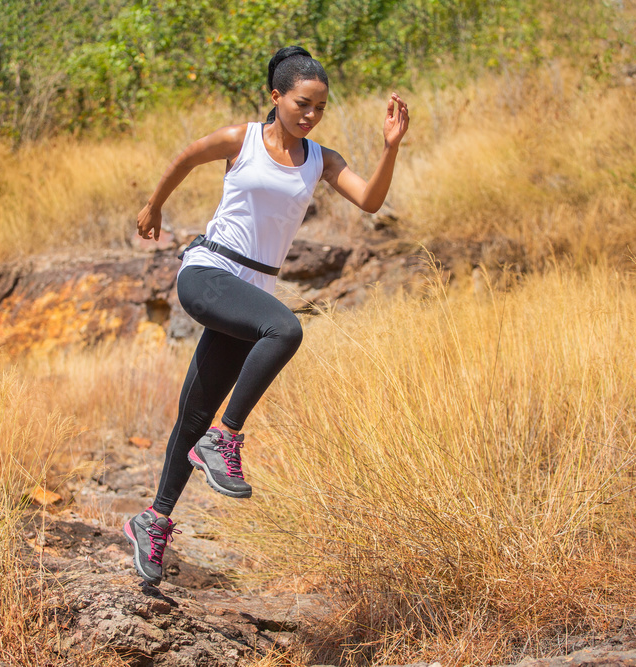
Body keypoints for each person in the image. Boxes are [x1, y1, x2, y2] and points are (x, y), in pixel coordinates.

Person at [123, 45, 409, 586]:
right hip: (210, 271)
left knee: (193, 412)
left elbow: (369, 200)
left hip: (250, 289)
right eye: (302, 103)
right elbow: (186, 156)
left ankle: (153, 520)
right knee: (286, 327)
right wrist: (154, 205)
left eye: (320, 108)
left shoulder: (322, 159)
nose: (310, 115)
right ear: (276, 97)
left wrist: (390, 148)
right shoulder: (243, 140)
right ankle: (226, 439)